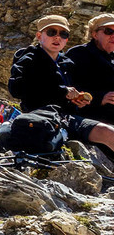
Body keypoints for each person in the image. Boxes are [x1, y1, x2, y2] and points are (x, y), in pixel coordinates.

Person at [8, 16, 114, 162]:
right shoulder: (29, 58)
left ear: (66, 40)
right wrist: (63, 91)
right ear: (39, 36)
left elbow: (64, 96)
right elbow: (17, 88)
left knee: (109, 132)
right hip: (42, 116)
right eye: (52, 32)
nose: (57, 37)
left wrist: (76, 101)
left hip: (67, 117)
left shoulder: (66, 63)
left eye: (63, 34)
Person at [63, 16, 114, 127]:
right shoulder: (78, 54)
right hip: (89, 118)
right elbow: (66, 88)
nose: (113, 36)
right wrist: (100, 98)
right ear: (94, 34)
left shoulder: (111, 57)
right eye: (109, 31)